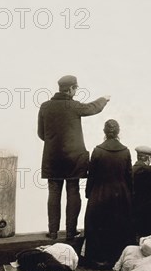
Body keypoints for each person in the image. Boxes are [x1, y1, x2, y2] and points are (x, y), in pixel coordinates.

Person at [38, 75, 110, 240]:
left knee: (54, 193)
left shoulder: (45, 107)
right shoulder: (74, 106)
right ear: (71, 89)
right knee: (73, 191)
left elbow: (41, 134)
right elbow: (93, 108)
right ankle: (71, 232)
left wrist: (54, 143)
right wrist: (104, 99)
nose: (76, 91)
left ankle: (53, 232)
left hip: (52, 159)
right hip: (73, 159)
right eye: (76, 88)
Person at [84, 120, 135, 269]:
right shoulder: (125, 151)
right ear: (118, 132)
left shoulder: (98, 150)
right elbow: (129, 176)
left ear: (104, 132)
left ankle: (98, 260)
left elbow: (91, 175)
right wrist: (130, 196)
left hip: (100, 193)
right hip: (121, 194)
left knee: (98, 225)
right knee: (118, 226)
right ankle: (116, 259)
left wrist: (89, 194)